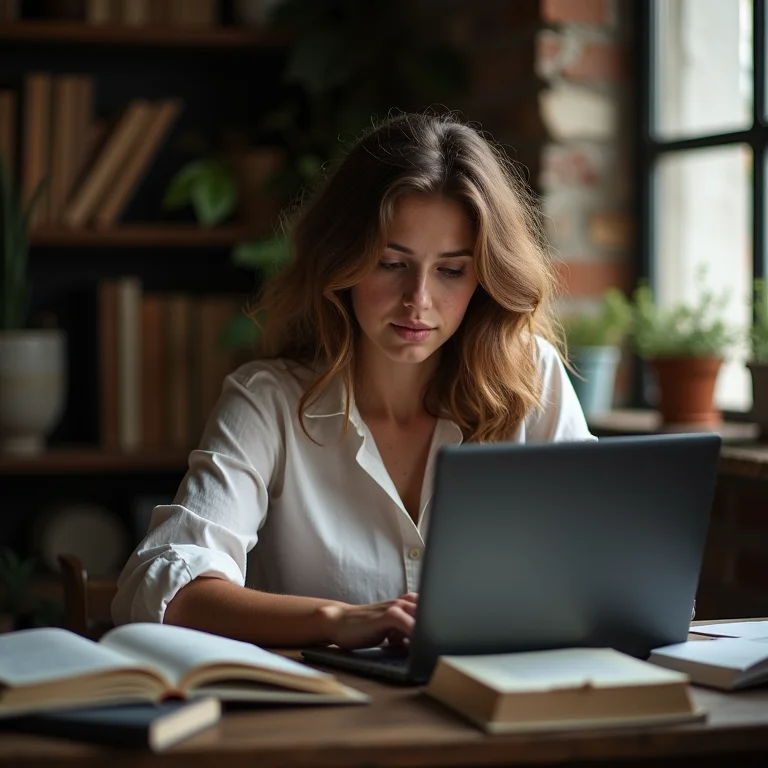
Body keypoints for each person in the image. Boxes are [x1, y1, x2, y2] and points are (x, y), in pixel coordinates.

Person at [112, 112, 595, 649]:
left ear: (484, 277)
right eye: (392, 263)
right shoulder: (268, 401)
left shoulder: (530, 379)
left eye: (451, 270)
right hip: (323, 719)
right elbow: (161, 586)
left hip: (498, 708)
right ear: (341, 261)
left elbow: (605, 567)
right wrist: (339, 620)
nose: (419, 300)